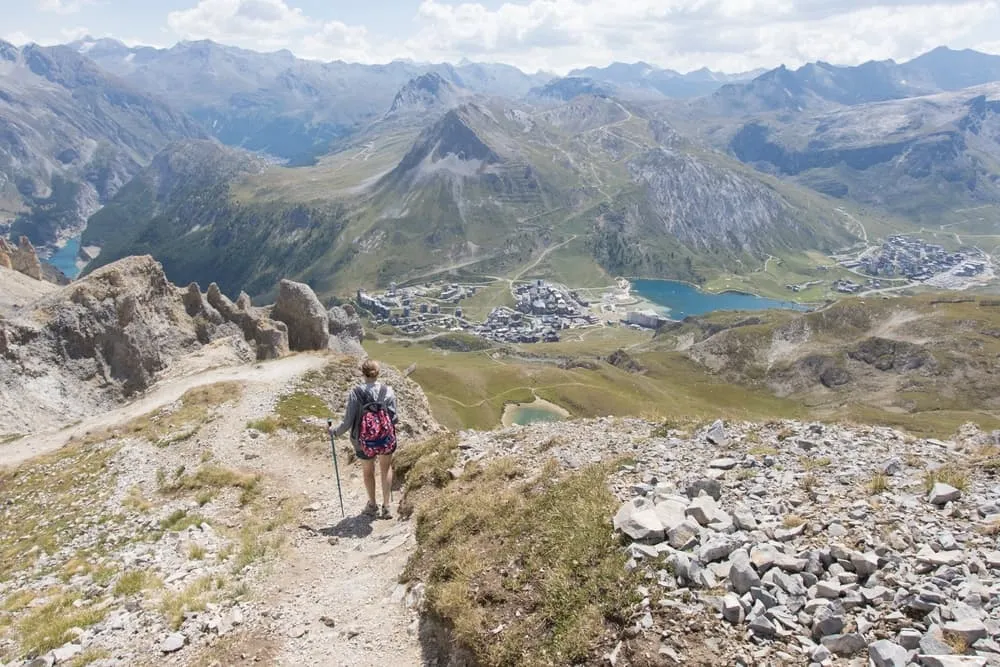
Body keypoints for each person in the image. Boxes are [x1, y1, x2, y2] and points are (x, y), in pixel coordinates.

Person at [329, 359, 399, 519]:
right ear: (378, 373)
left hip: (362, 440)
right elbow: (394, 418)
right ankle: (387, 507)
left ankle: (372, 505)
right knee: (386, 468)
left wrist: (334, 432)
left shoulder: (356, 392)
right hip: (386, 439)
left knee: (368, 471)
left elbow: (347, 422)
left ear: (363, 372)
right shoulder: (388, 391)